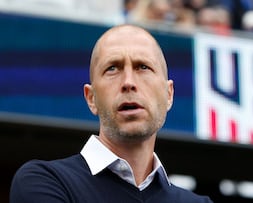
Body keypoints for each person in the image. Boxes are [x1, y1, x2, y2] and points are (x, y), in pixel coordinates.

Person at [9, 24, 213, 203]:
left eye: (143, 67)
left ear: (169, 95)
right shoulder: (44, 182)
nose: (128, 82)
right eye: (113, 68)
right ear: (91, 98)